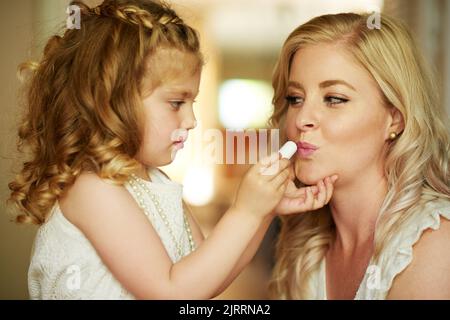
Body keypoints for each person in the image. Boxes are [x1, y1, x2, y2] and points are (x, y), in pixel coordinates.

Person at [7, 0, 337, 299]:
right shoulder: (92, 189)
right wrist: (245, 211)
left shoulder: (158, 184)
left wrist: (263, 211)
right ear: (111, 102)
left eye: (191, 102)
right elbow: (172, 292)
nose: (191, 120)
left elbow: (207, 278)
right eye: (176, 102)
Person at [269, 12, 450, 300]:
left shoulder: (435, 243)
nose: (302, 118)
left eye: (334, 99)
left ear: (395, 119)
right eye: (295, 98)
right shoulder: (306, 245)